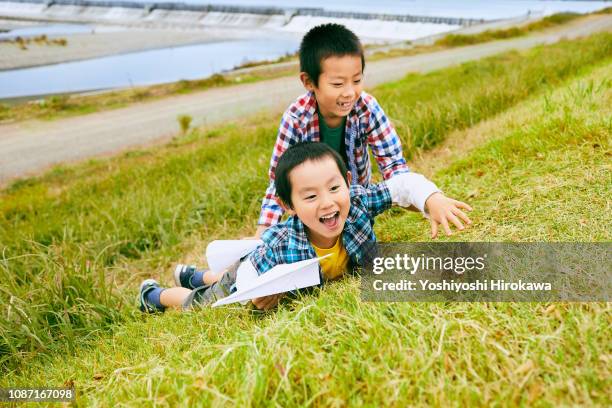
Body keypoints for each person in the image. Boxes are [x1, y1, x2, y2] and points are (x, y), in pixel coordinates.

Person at [138, 142, 472, 313]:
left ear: (349, 182)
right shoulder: (282, 244)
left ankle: (196, 273)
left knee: (222, 277)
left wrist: (432, 199)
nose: (327, 202)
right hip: (250, 266)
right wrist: (258, 296)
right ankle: (155, 295)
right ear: (289, 206)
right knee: (206, 300)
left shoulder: (356, 201)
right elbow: (250, 275)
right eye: (310, 196)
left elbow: (403, 186)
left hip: (254, 260)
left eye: (334, 188)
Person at [256, 23, 457, 239]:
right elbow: (278, 183)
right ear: (308, 82)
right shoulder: (296, 119)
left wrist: (426, 199)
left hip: (356, 203)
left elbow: (393, 165)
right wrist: (263, 233)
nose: (350, 92)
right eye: (337, 84)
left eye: (357, 80)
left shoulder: (367, 109)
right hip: (314, 213)